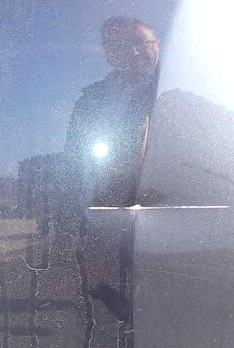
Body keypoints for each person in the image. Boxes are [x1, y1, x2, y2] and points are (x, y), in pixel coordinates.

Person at [64, 16, 160, 208]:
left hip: (157, 207)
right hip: (96, 208)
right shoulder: (90, 99)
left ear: (159, 43)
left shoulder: (172, 88)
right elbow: (73, 161)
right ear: (109, 54)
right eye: (122, 45)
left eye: (141, 42)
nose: (134, 52)